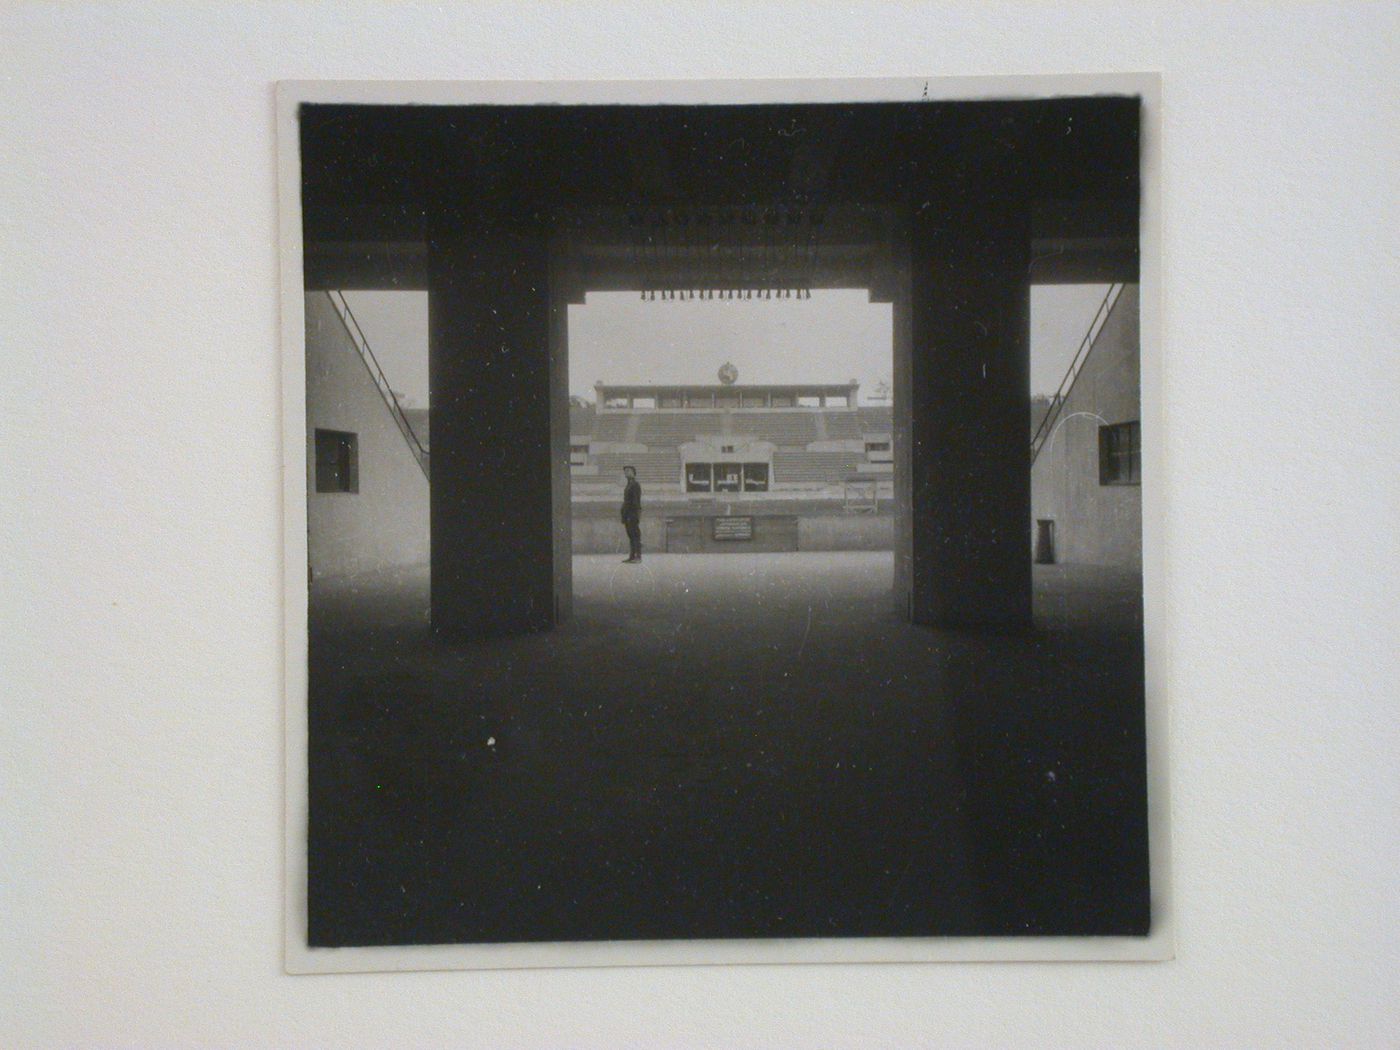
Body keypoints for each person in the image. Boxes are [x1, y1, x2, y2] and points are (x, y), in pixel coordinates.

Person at [620, 465, 643, 563]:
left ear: (634, 473)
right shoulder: (628, 485)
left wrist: (634, 515)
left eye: (628, 471)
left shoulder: (635, 485)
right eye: (625, 471)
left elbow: (636, 501)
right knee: (631, 536)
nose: (626, 472)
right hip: (627, 514)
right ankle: (632, 556)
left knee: (635, 535)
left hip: (632, 514)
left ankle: (638, 557)